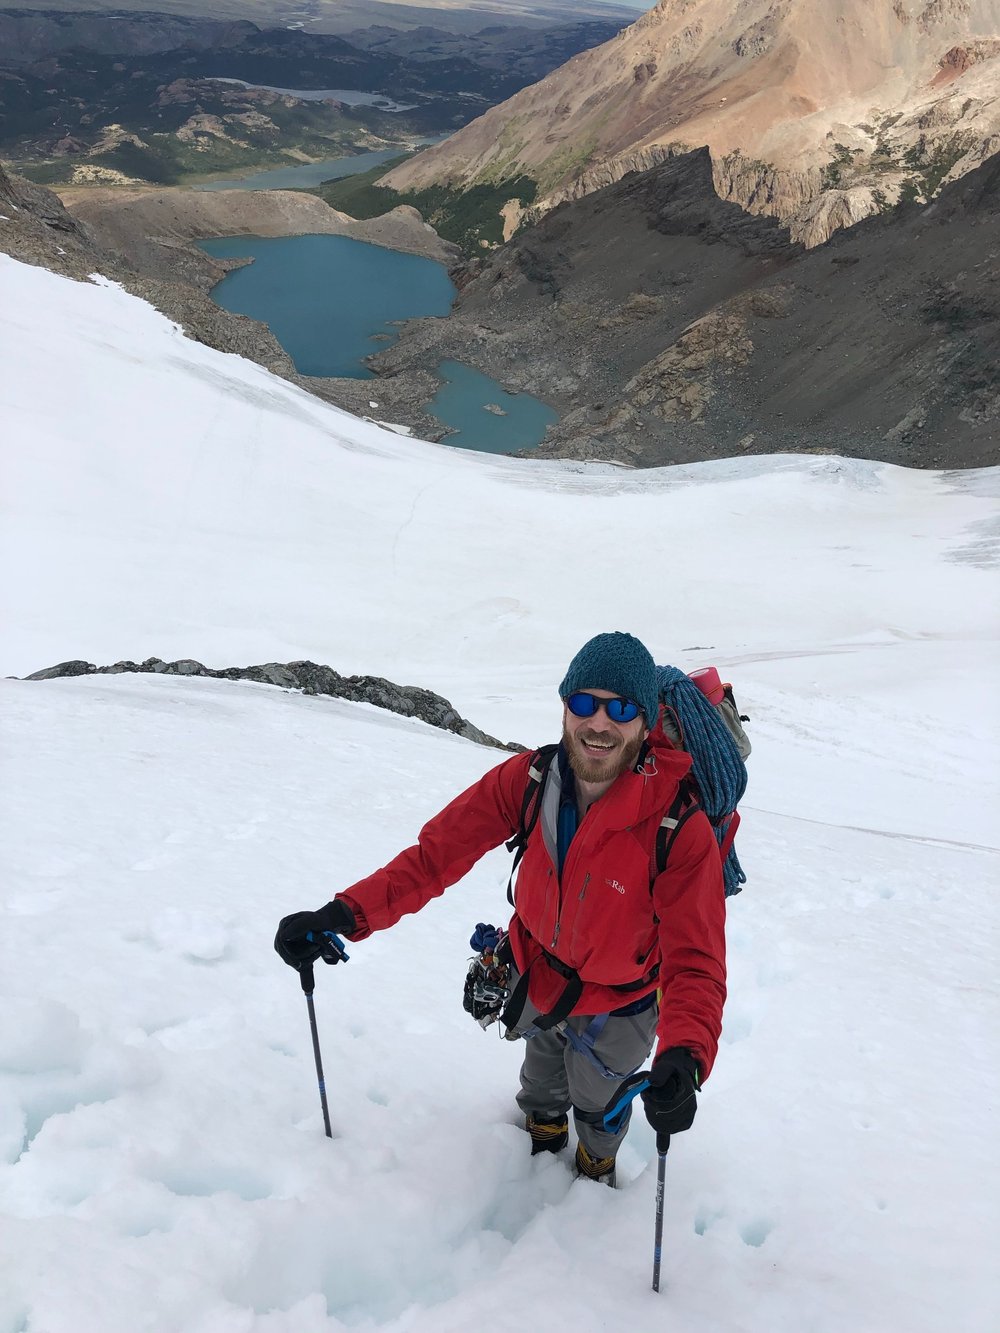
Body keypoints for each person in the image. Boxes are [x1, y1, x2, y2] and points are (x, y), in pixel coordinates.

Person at [275, 631, 727, 1185]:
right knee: (541, 1078)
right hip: (535, 974)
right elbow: (434, 857)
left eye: (621, 709)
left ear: (644, 720)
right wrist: (344, 914)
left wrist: (685, 1054)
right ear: (564, 706)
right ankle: (543, 1128)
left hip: (621, 1005)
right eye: (584, 703)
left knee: (599, 1099)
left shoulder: (678, 828)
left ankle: (596, 1157)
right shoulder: (532, 781)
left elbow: (696, 961)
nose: (599, 724)